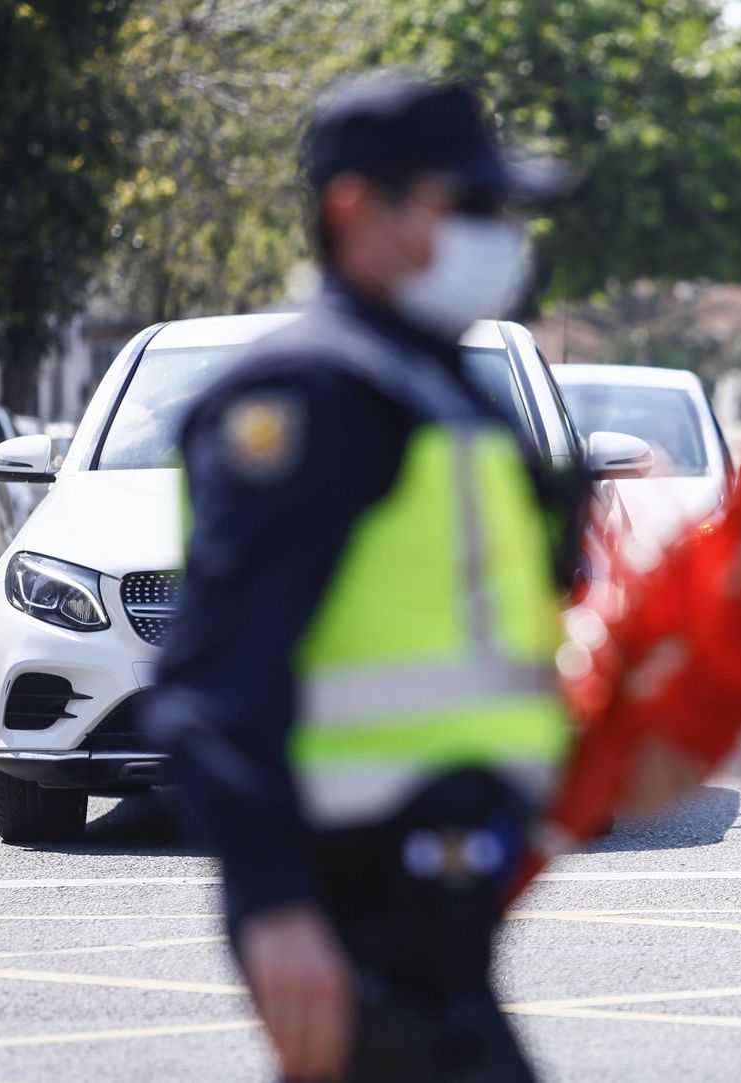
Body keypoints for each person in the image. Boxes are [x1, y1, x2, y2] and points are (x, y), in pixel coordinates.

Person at [145, 74, 580, 1082]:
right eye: (467, 205)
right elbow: (213, 682)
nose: (498, 234)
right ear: (354, 207)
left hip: (448, 906)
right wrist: (271, 903)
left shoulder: (441, 386)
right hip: (360, 911)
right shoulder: (315, 396)